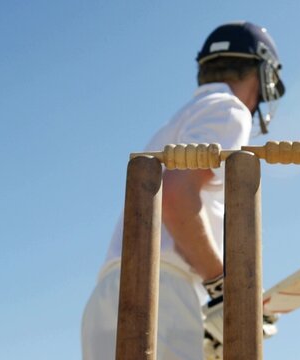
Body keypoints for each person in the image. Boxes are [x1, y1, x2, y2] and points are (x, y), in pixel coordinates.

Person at [81, 21, 286, 360]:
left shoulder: (181, 120)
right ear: (263, 75)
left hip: (113, 295)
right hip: (160, 294)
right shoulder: (229, 109)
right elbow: (175, 195)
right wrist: (224, 288)